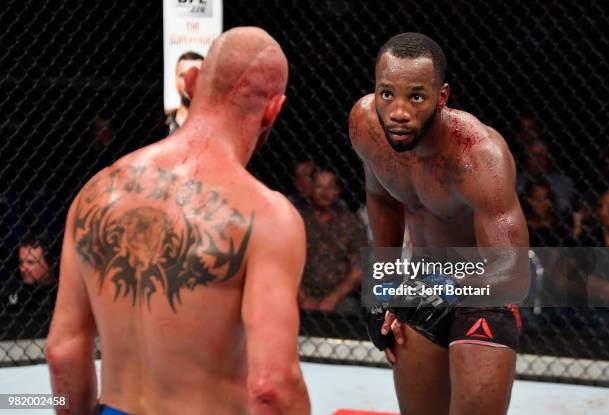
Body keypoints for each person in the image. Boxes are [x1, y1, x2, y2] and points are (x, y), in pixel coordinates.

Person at [46, 27, 310, 415]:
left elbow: (61, 352)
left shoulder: (97, 192)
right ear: (274, 108)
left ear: (191, 83)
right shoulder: (268, 217)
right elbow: (271, 387)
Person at [349, 33, 529, 415]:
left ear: (441, 98)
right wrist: (381, 286)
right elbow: (382, 197)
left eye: (415, 96)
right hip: (422, 282)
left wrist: (445, 286)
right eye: (386, 94)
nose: (398, 111)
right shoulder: (366, 125)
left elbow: (511, 272)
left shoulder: (478, 155)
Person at [299, 169, 366, 312]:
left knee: (349, 309)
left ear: (337, 190)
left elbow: (360, 266)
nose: (324, 192)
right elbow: (282, 262)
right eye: (319, 186)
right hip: (297, 292)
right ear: (310, 188)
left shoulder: (350, 222)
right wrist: (302, 296)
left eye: (330, 187)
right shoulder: (297, 218)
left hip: (340, 297)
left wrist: (333, 298)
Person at [166, 51, 204, 134]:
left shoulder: (220, 125)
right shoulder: (163, 124)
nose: (189, 81)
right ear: (176, 80)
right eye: (183, 75)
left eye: (196, 75)